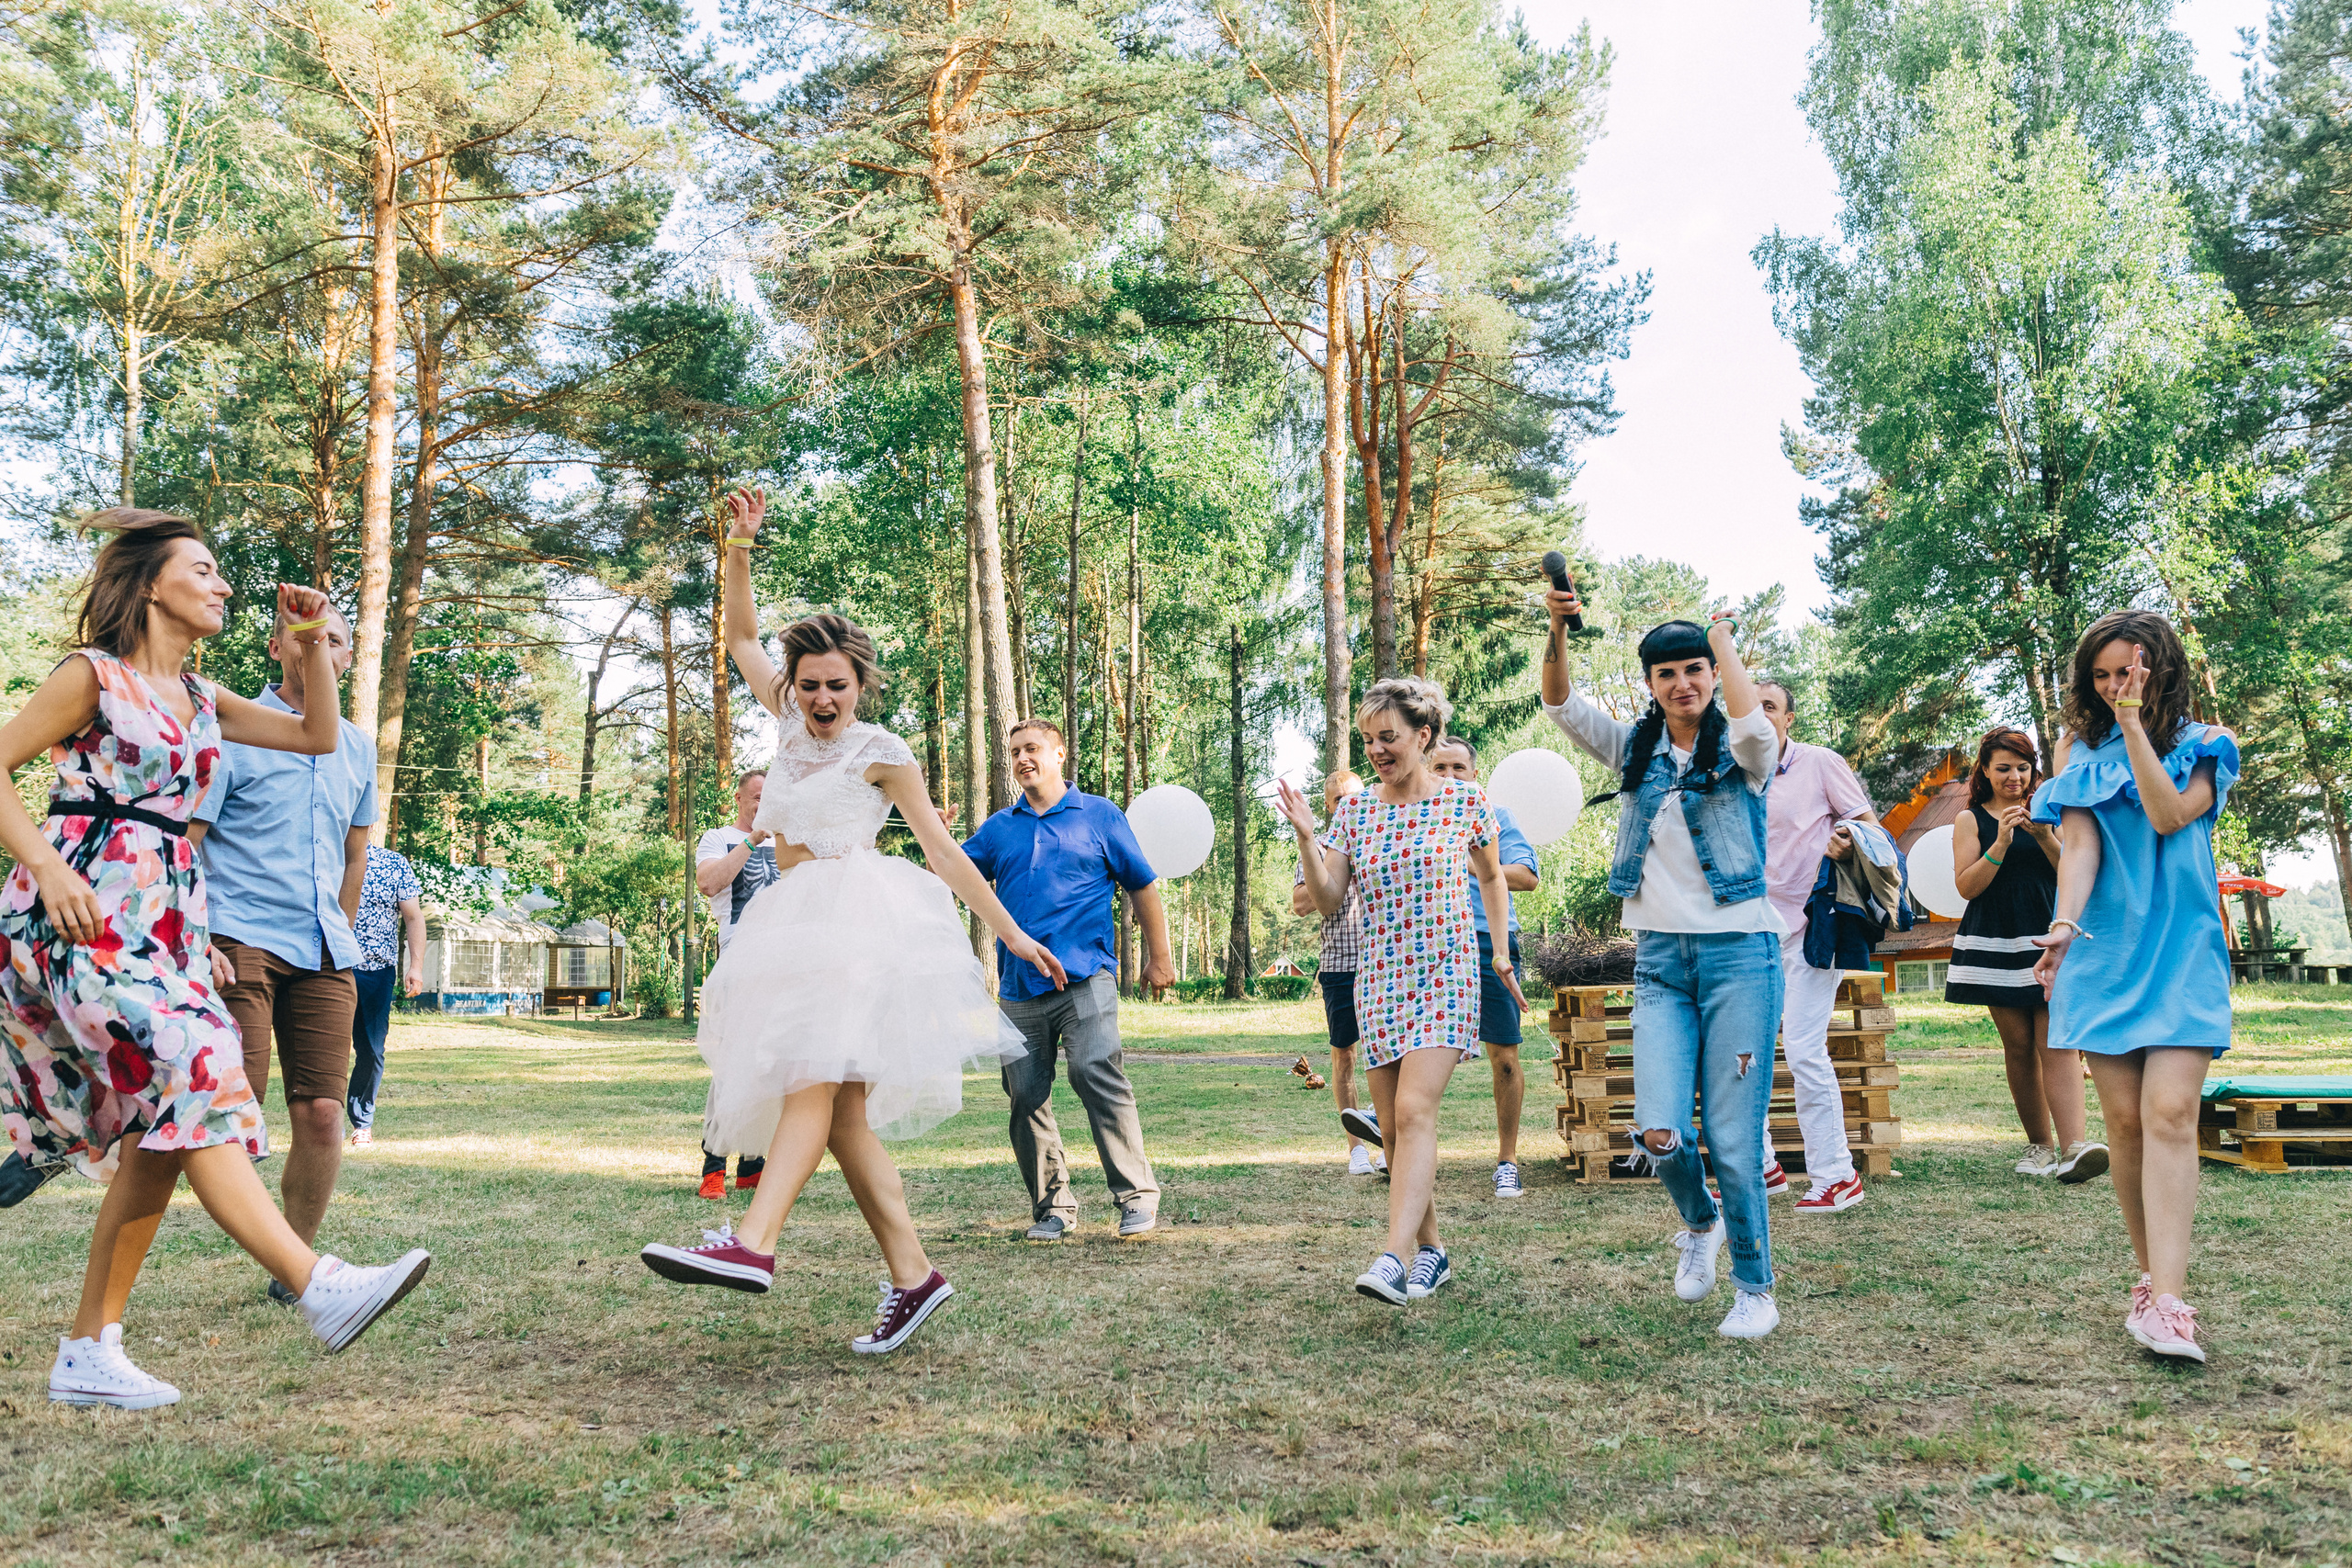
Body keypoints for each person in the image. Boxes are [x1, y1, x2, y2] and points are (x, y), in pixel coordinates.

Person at [0, 511, 429, 1409]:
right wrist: (42, 865)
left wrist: (312, 640)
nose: (223, 586)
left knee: (174, 1117)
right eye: (204, 570)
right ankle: (320, 1285)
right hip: (83, 900)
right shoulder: (93, 677)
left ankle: (87, 1349)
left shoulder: (202, 697)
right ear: (153, 586)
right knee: (195, 1074)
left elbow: (316, 735)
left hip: (169, 916)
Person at [640, 488, 1060, 1355]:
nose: (823, 698)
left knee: (811, 1080)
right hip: (792, 917)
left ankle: (752, 1243)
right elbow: (742, 638)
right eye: (810, 685)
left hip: (857, 920)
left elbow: (944, 854)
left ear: (860, 684)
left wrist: (1011, 934)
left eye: (837, 685)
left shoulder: (883, 753)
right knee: (841, 1119)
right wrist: (739, 547)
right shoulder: (786, 721)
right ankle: (915, 1277)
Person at [1539, 588, 1785, 1340]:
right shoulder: (1635, 749)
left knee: (1736, 1141)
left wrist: (1722, 637)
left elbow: (1749, 721)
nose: (1683, 684)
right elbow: (1560, 704)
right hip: (1660, 965)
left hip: (1740, 958)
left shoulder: (1746, 749)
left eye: (1695, 671)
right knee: (1657, 1131)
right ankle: (1699, 1221)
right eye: (1667, 673)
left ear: (1713, 674)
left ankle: (1754, 1287)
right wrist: (1556, 628)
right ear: (1649, 683)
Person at [1280, 677, 1525, 1305]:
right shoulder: (1355, 811)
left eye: (1387, 737)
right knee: (1390, 1127)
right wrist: (1309, 839)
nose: (1377, 750)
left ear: (1423, 734)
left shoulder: (1464, 800)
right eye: (1368, 740)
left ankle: (1394, 1256)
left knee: (1415, 1111)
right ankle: (1434, 1251)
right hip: (1381, 977)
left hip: (1447, 971)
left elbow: (1493, 876)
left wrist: (1498, 950)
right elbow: (1329, 898)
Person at [2030, 611, 2235, 1364]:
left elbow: (2167, 812)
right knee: (2124, 1125)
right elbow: (2080, 846)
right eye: (2106, 675)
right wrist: (2062, 923)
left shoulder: (2207, 745)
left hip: (2182, 949)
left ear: (2161, 667)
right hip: (2106, 952)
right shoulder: (2078, 751)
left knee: (2172, 1111)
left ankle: (2172, 1305)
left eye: (2132, 671)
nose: (2119, 686)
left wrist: (2136, 727)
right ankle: (2149, 1280)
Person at [188, 592, 379, 1303]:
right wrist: (198, 936)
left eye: (331, 639)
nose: (317, 649)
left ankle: (294, 1272)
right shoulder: (231, 730)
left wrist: (347, 934)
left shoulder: (357, 747)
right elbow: (190, 843)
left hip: (325, 946)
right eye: (303, 638)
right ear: (277, 648)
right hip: (238, 936)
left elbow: (355, 853)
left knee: (325, 1112)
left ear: (346, 655)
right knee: (229, 1111)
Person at [962, 717, 1175, 1242]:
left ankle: (1136, 1197)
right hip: (1018, 988)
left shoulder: (1100, 815)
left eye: (1032, 748)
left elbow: (1143, 887)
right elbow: (956, 876)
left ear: (1059, 755)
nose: (1022, 759)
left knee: (1093, 1068)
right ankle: (1053, 1207)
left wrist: (1159, 957)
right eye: (1014, 752)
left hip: (1087, 976)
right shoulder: (999, 828)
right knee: (1025, 1094)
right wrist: (937, 838)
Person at [1948, 727, 2107, 1183]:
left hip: (2048, 933)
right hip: (1995, 940)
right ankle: (2039, 1147)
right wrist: (2000, 841)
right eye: (2003, 769)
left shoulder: (2052, 812)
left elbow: (2073, 872)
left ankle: (2075, 1147)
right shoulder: (1969, 820)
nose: (2014, 777)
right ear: (1985, 771)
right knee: (2018, 1047)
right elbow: (1967, 887)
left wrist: (2043, 836)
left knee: (2057, 1040)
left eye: (2022, 768)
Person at [1755, 679, 1880, 1213]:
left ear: (1789, 720)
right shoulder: (1730, 771)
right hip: (1750, 930)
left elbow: (1870, 828)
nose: (1757, 716)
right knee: (1743, 1056)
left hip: (1812, 924)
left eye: (1769, 707)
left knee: (1804, 1049)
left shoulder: (1820, 763)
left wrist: (1844, 840)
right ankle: (1759, 1167)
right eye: (1748, 707)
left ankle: (1836, 1174)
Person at [1429, 737, 1542, 1199]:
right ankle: (1400, 1146)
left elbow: (1526, 876)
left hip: (1486, 940)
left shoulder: (1496, 816)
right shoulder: (1410, 814)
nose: (1451, 775)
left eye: (1459, 767)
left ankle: (1508, 1161)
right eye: (1441, 767)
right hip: (1429, 941)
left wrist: (1471, 858)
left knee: (1505, 1057)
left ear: (1475, 775)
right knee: (1420, 1050)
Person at [1291, 770, 1383, 1176]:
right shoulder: (1320, 844)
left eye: (1355, 796)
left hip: (1386, 962)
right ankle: (1357, 1151)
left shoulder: (1383, 836)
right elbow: (1299, 903)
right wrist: (1334, 873)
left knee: (1389, 1057)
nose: (1349, 803)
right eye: (1341, 799)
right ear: (1330, 805)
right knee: (1344, 1055)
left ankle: (1393, 1146)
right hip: (1340, 965)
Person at [691, 770, 778, 1198]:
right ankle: (713, 1165)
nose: (765, 803)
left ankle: (753, 1164)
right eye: (758, 797)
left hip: (783, 967)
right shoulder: (718, 838)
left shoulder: (791, 843)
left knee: (773, 1066)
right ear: (741, 799)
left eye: (771, 796)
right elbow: (708, 883)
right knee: (732, 1066)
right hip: (739, 964)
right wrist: (751, 841)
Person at [345, 842, 423, 1148]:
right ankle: (318, 1120)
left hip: (377, 971)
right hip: (330, 968)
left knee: (371, 1051)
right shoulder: (323, 854)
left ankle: (362, 1123)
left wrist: (415, 966)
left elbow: (414, 918)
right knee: (326, 1050)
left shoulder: (393, 863)